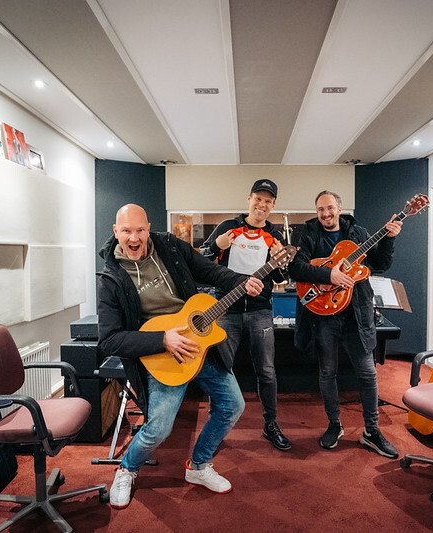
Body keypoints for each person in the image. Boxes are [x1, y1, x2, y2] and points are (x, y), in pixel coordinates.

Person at [97, 204, 264, 509]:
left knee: (233, 406)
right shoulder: (111, 279)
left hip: (199, 345)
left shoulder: (172, 248)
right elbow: (109, 339)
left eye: (140, 230)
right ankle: (127, 468)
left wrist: (241, 282)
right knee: (159, 428)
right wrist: (162, 339)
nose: (134, 238)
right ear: (115, 231)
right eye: (126, 231)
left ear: (149, 227)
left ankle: (198, 467)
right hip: (160, 353)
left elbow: (210, 271)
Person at [287, 190, 402, 457]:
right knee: (327, 372)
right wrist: (330, 275)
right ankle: (334, 425)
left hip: (356, 314)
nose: (325, 214)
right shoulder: (307, 234)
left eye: (329, 208)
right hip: (323, 316)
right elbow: (296, 268)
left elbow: (381, 264)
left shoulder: (359, 234)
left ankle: (372, 431)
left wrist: (389, 240)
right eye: (320, 210)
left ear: (339, 208)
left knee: (368, 373)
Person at [199, 179, 291, 451]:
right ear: (248, 199)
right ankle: (215, 428)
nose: (262, 205)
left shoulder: (277, 238)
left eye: (268, 201)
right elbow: (201, 261)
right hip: (225, 309)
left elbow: (282, 278)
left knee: (267, 372)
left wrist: (279, 261)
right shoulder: (228, 227)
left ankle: (270, 424)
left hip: (261, 311)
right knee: (220, 370)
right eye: (258, 198)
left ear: (273, 205)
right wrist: (216, 244)